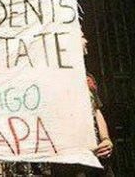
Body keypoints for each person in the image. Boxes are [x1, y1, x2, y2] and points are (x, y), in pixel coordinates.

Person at [53, 30, 115, 177]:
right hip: (72, 159)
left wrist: (106, 139)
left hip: (98, 155)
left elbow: (96, 110)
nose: (86, 41)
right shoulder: (55, 76)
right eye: (81, 37)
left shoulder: (88, 77)